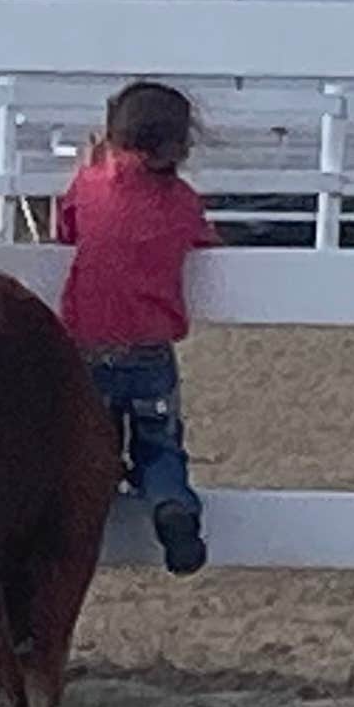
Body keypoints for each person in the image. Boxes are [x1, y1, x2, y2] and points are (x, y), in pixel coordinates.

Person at [53, 78, 215, 574]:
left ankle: (75, 526)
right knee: (159, 444)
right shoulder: (182, 202)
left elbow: (65, 230)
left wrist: (89, 166)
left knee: (88, 444)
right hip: (149, 349)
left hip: (88, 347)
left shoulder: (89, 185)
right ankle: (173, 506)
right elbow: (207, 245)